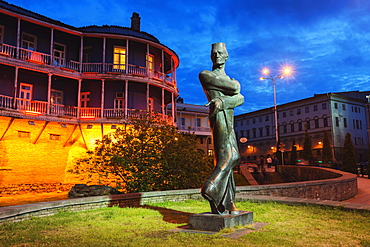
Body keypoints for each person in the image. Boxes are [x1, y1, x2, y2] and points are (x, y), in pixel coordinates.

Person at [199, 42, 244, 215]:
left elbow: (241, 98)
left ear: (226, 56)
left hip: (228, 117)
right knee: (231, 156)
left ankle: (228, 203)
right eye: (214, 53)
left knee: (226, 157)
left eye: (220, 53)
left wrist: (223, 101)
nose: (217, 56)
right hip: (218, 117)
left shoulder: (227, 79)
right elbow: (235, 89)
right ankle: (210, 185)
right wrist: (232, 94)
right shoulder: (205, 75)